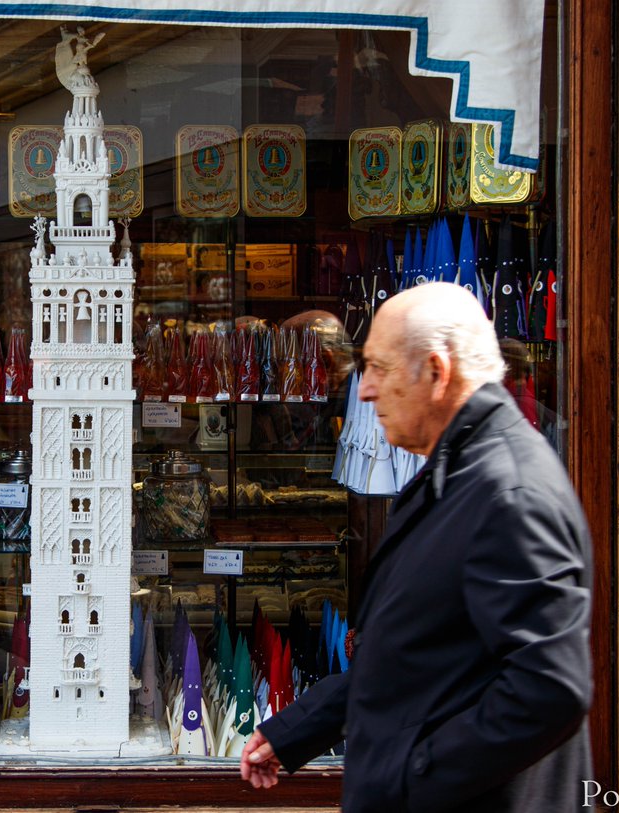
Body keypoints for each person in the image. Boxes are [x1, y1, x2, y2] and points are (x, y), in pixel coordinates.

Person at [240, 282, 592, 812]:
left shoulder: (508, 491)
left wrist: (411, 775)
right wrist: (302, 727)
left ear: (435, 371)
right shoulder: (456, 472)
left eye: (378, 368)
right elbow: (421, 651)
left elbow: (549, 689)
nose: (362, 390)